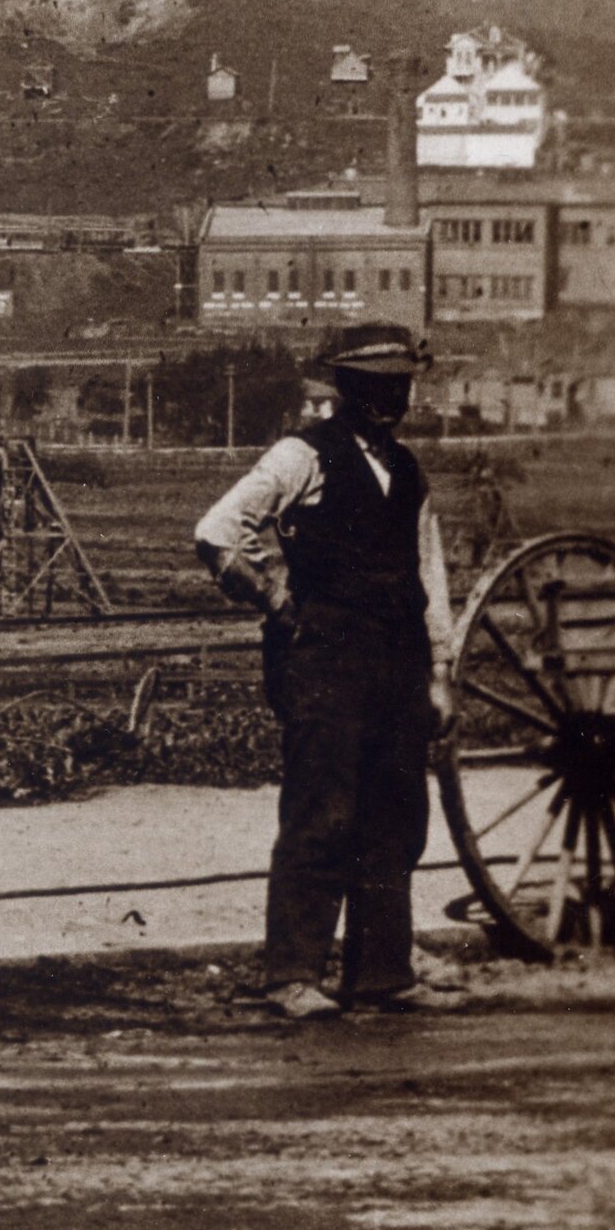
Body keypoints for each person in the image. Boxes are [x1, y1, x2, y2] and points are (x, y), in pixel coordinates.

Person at [194, 323, 462, 1018]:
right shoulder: (300, 456)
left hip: (399, 662)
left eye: (401, 382)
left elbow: (427, 573)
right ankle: (292, 974)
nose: (393, 396)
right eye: (377, 384)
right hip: (326, 662)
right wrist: (276, 597)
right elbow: (219, 530)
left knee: (396, 816)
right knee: (322, 811)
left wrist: (439, 673)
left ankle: (381, 973)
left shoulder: (407, 471)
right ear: (346, 387)